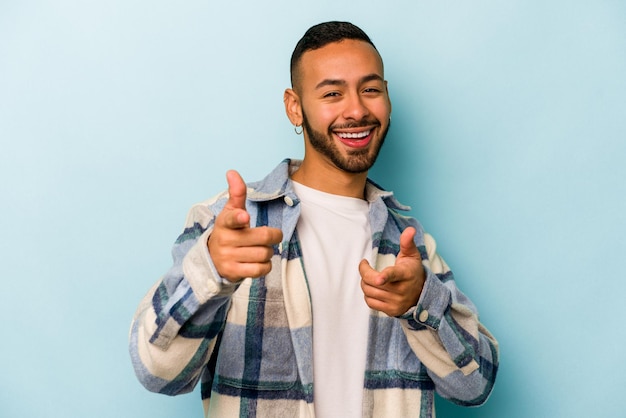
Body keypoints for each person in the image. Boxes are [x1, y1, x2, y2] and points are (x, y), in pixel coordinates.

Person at [129, 21, 499, 418]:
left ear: (387, 99)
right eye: (332, 93)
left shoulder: (409, 243)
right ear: (295, 106)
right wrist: (212, 273)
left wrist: (421, 302)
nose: (356, 110)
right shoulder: (230, 224)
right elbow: (156, 372)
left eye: (370, 90)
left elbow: (474, 386)